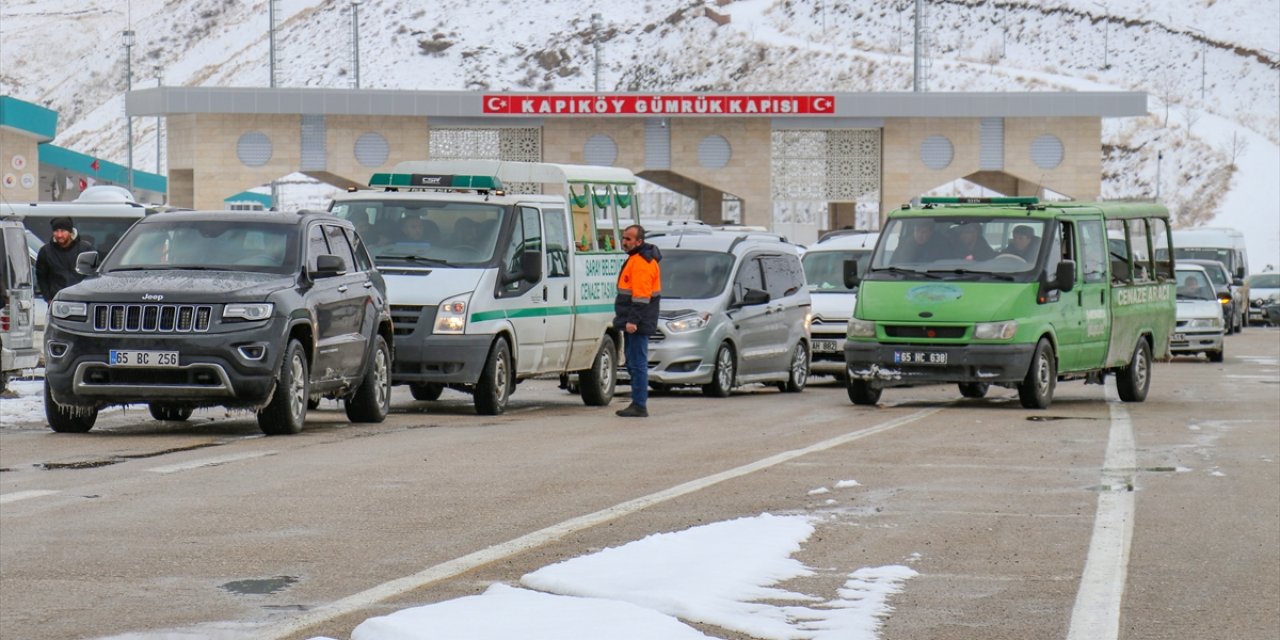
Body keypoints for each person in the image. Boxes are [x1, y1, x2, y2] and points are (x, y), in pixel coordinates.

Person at [613, 224, 662, 418]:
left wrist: (632, 321)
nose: (624, 242)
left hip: (637, 323)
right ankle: (638, 402)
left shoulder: (641, 262)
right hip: (635, 321)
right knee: (634, 361)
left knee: (637, 363)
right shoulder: (636, 259)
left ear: (639, 241)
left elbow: (641, 297)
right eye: (624, 238)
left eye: (628, 239)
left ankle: (639, 404)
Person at [36, 216, 94, 301]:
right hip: (57, 299)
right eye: (56, 231)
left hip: (82, 298)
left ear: (70, 232)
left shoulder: (85, 248)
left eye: (63, 231)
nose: (59, 235)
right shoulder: (46, 251)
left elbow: (93, 273)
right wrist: (48, 298)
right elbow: (41, 277)